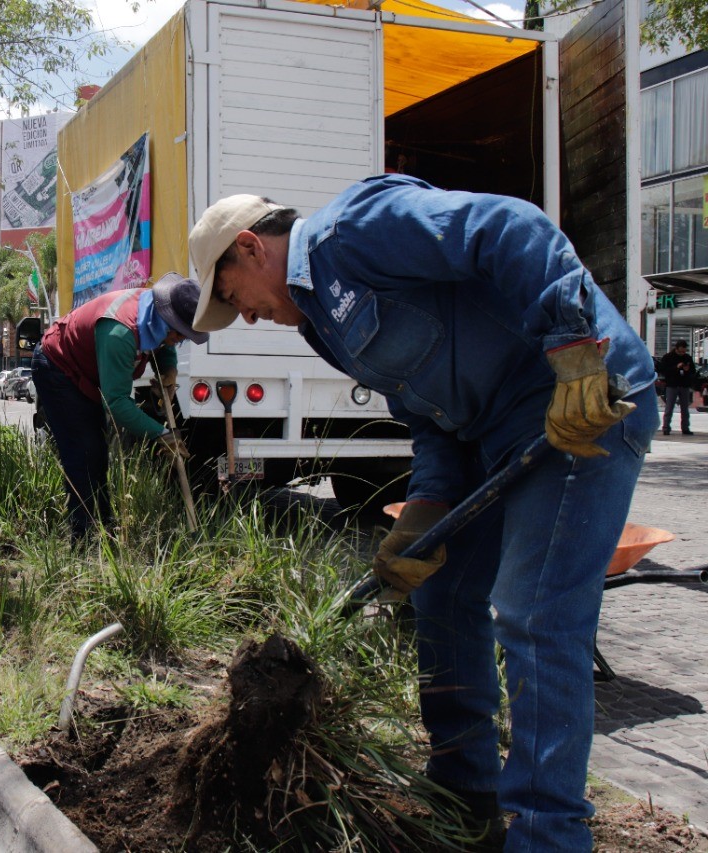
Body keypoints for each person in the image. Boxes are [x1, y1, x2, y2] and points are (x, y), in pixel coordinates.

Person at [187, 174, 657, 851]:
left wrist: (573, 346)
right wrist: (425, 512)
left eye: (234, 298)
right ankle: (465, 797)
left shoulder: (355, 231)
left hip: (582, 400)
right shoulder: (322, 327)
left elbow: (511, 228)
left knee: (534, 613)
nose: (250, 317)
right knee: (442, 594)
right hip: (493, 436)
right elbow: (427, 413)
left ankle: (548, 834)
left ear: (250, 247)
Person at [31, 273, 207, 539]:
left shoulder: (155, 315)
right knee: (82, 450)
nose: (179, 342)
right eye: (180, 336)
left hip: (87, 373)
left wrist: (169, 369)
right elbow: (117, 403)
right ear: (169, 323)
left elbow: (163, 344)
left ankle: (104, 525)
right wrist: (161, 434)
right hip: (58, 368)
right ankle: (82, 537)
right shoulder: (120, 332)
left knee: (98, 451)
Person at [658, 339, 695, 436]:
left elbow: (693, 371)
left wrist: (687, 370)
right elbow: (663, 370)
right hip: (672, 385)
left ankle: (685, 428)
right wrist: (676, 367)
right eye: (681, 351)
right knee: (669, 407)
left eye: (684, 351)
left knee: (685, 408)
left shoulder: (687, 358)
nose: (682, 353)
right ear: (677, 348)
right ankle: (666, 427)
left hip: (684, 385)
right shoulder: (668, 357)